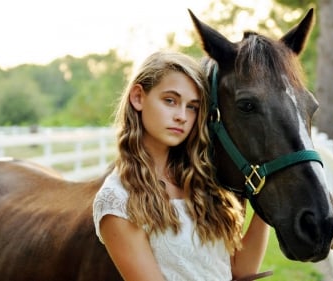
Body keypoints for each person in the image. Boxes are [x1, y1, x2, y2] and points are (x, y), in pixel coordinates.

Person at [93, 51, 270, 281]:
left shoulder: (203, 181)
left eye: (192, 107)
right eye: (170, 101)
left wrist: (264, 206)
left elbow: (237, 271)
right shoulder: (117, 199)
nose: (182, 116)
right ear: (138, 97)